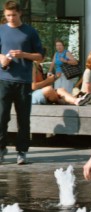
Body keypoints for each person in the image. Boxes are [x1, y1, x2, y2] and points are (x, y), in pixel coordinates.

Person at [0, 0, 44, 165]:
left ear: (20, 14)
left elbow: (40, 56)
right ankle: (1, 148)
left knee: (23, 119)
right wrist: (2, 58)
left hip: (24, 82)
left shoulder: (30, 32)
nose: (10, 18)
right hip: (4, 80)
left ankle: (22, 151)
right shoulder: (1, 30)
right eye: (8, 15)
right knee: (1, 117)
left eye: (13, 15)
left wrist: (24, 54)